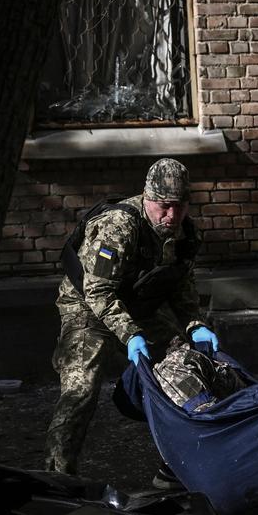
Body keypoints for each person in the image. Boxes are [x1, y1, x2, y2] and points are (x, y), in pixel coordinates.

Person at [44, 158, 219, 477]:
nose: (171, 215)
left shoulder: (186, 233)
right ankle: (57, 476)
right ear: (147, 198)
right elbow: (97, 292)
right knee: (80, 389)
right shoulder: (120, 226)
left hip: (138, 305)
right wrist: (131, 334)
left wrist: (195, 324)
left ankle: (177, 467)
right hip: (87, 307)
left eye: (179, 206)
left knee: (184, 366)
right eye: (163, 206)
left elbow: (181, 285)